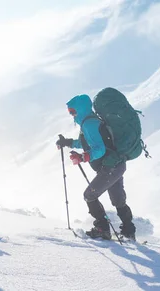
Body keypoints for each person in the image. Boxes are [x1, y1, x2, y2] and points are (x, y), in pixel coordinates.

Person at [56, 94, 136, 241]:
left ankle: (102, 229)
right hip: (116, 164)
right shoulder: (91, 121)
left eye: (73, 111)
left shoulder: (89, 124)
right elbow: (87, 143)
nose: (72, 115)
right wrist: (68, 142)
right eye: (70, 112)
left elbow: (99, 149)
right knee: (118, 199)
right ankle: (128, 231)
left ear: (81, 109)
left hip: (110, 167)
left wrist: (83, 157)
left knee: (89, 195)